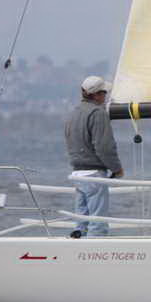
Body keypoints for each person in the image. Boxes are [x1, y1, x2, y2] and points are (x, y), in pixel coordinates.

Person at [64, 75, 123, 237]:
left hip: (77, 173)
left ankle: (78, 244)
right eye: (104, 93)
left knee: (81, 221)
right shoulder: (98, 113)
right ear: (96, 95)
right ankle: (95, 249)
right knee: (98, 222)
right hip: (94, 174)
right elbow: (104, 147)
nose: (106, 97)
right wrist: (116, 169)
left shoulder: (74, 113)